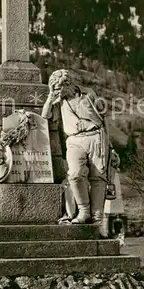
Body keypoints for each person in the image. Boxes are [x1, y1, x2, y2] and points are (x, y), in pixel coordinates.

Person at [42, 69, 110, 226]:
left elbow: (104, 119)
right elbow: (45, 115)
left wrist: (109, 145)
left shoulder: (89, 94)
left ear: (68, 84)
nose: (57, 91)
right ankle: (84, 211)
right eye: (54, 88)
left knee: (98, 177)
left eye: (58, 87)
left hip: (95, 136)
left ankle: (98, 219)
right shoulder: (58, 100)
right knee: (74, 174)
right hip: (74, 140)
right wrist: (50, 95)